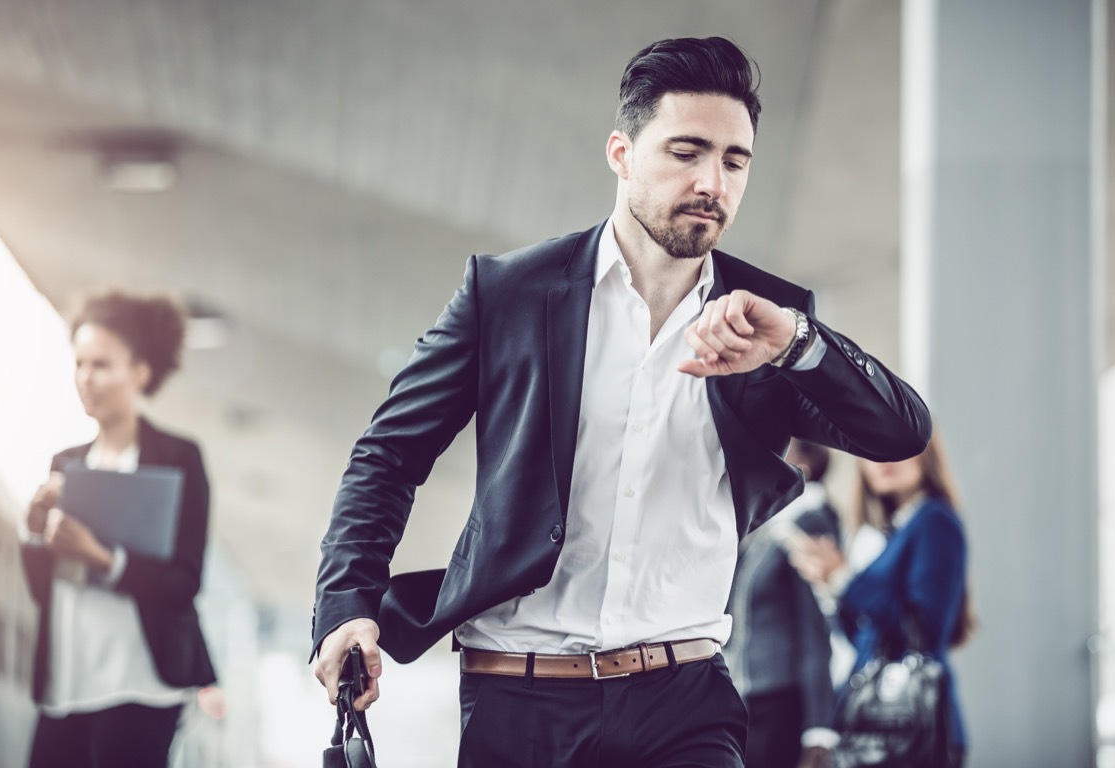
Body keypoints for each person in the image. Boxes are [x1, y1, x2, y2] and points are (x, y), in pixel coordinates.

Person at [312, 36, 932, 768]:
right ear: (622, 154)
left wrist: (797, 342)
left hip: (687, 703)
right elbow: (389, 455)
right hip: (520, 702)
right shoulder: (507, 295)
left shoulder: (765, 319)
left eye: (735, 161)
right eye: (686, 152)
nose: (712, 182)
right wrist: (346, 605)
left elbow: (900, 433)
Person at [20, 289, 216, 768]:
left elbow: (184, 581)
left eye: (101, 364)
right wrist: (34, 529)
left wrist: (101, 557)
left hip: (139, 683)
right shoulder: (64, 464)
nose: (86, 378)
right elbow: (44, 591)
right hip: (67, 682)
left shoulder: (178, 458)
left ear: (140, 372)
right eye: (80, 364)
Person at [790, 430, 973, 767]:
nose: (883, 459)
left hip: (913, 727)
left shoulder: (935, 520)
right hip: (879, 725)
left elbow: (924, 631)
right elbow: (867, 638)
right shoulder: (895, 529)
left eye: (898, 447)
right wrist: (832, 587)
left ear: (926, 453)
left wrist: (845, 579)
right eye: (871, 449)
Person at [725, 439, 841, 768]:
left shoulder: (810, 522)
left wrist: (818, 728)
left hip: (780, 702)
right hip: (748, 699)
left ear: (807, 465)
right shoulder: (767, 526)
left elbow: (815, 629)